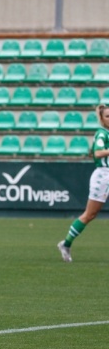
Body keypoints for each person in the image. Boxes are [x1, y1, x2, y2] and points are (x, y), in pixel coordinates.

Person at [58, 104, 109, 262]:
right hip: (103, 176)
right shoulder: (102, 134)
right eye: (108, 116)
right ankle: (66, 244)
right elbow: (98, 153)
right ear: (101, 119)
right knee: (90, 215)